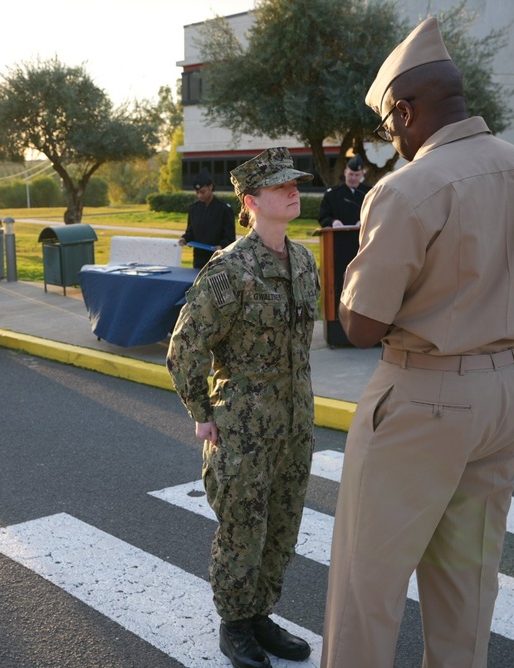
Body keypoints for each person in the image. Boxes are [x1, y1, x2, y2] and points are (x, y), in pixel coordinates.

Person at [321, 18, 514, 668]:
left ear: (405, 110)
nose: (393, 139)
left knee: (365, 588)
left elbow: (362, 326)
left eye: (390, 125)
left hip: (422, 396)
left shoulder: (405, 191)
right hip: (507, 394)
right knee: (467, 586)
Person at [167, 148, 319, 668]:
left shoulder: (302, 261)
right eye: (281, 187)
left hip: (295, 424)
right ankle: (235, 625)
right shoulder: (230, 270)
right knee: (242, 528)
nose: (294, 191)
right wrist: (201, 412)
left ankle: (260, 614)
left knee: (282, 524)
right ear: (251, 201)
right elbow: (184, 347)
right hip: (244, 427)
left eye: (295, 183)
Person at [179, 168, 236, 269]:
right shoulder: (194, 209)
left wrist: (221, 246)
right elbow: (190, 232)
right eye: (197, 192)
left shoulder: (224, 209)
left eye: (202, 192)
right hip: (198, 259)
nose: (200, 195)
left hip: (218, 260)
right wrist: (185, 239)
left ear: (211, 187)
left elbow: (230, 237)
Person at [318, 156, 370, 228]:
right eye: (350, 174)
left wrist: (365, 221)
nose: (353, 178)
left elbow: (377, 215)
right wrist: (333, 222)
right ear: (345, 172)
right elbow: (323, 217)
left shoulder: (369, 193)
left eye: (357, 175)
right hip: (339, 236)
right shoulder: (332, 194)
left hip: (362, 236)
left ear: (363, 174)